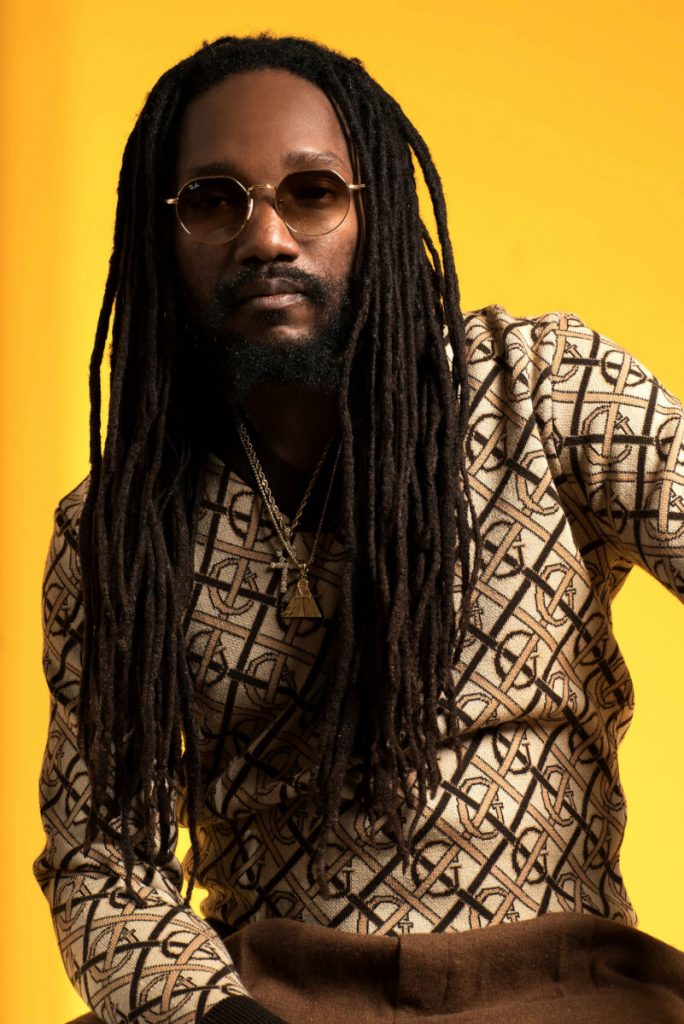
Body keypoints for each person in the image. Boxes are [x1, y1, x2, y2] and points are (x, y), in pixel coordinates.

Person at [35, 33, 684, 1024]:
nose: (266, 237)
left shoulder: (547, 390)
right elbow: (103, 864)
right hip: (267, 996)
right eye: (214, 200)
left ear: (376, 212)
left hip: (564, 985)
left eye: (312, 192)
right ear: (160, 239)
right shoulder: (119, 535)